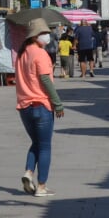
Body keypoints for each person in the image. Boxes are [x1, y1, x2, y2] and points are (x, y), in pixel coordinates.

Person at [15, 18, 65, 197]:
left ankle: (29, 172)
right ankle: (42, 186)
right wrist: (57, 103)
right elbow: (45, 80)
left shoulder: (22, 53)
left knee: (36, 143)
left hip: (24, 106)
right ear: (35, 36)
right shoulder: (40, 54)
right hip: (41, 105)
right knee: (44, 146)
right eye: (44, 33)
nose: (48, 35)